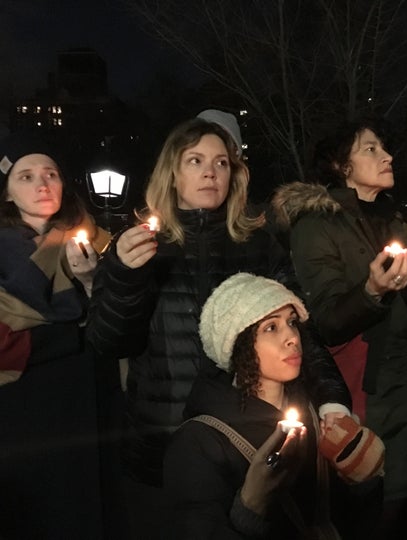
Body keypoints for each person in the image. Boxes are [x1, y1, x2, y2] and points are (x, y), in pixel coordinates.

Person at [87, 118, 350, 539]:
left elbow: (300, 333)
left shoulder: (260, 246)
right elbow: (108, 341)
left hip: (247, 441)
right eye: (195, 161)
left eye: (222, 162)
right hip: (162, 440)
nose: (211, 172)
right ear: (172, 173)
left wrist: (333, 403)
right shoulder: (138, 247)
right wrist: (122, 277)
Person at [272, 118, 407, 538]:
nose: (386, 156)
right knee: (375, 513)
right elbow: (325, 319)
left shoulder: (389, 221)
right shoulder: (316, 225)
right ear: (340, 166)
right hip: (370, 394)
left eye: (384, 147)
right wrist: (371, 290)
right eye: (370, 149)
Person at [164, 272, 384, 539]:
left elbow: (350, 518)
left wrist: (363, 478)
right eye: (271, 327)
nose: (292, 337)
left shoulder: (315, 411)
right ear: (237, 343)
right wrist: (250, 507)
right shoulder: (199, 442)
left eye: (292, 322)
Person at [0, 131, 110, 538]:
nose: (43, 184)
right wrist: (70, 333)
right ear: (8, 193)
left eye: (51, 173)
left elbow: (114, 327)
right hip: (17, 402)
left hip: (80, 400)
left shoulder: (95, 242)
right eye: (26, 176)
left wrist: (90, 284)